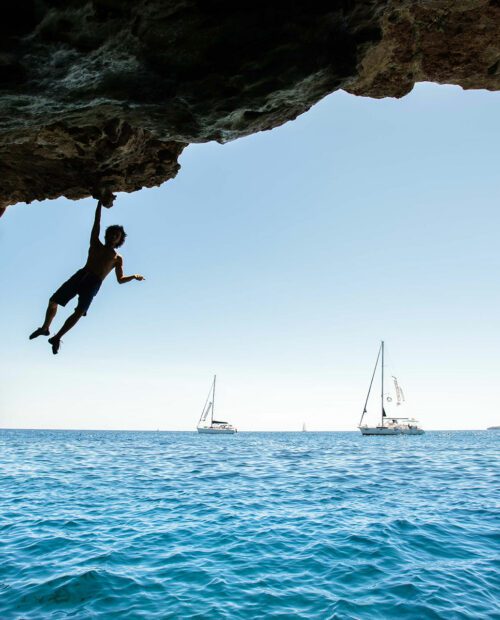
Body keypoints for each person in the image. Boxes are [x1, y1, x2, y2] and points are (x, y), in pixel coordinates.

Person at [29, 190, 145, 354]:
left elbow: (120, 279)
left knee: (79, 312)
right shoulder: (95, 243)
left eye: (117, 235)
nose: (113, 236)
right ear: (107, 235)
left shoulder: (117, 258)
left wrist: (133, 277)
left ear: (120, 240)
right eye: (112, 233)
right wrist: (100, 203)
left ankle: (57, 337)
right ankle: (45, 328)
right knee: (53, 301)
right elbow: (96, 223)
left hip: (94, 282)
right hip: (82, 275)